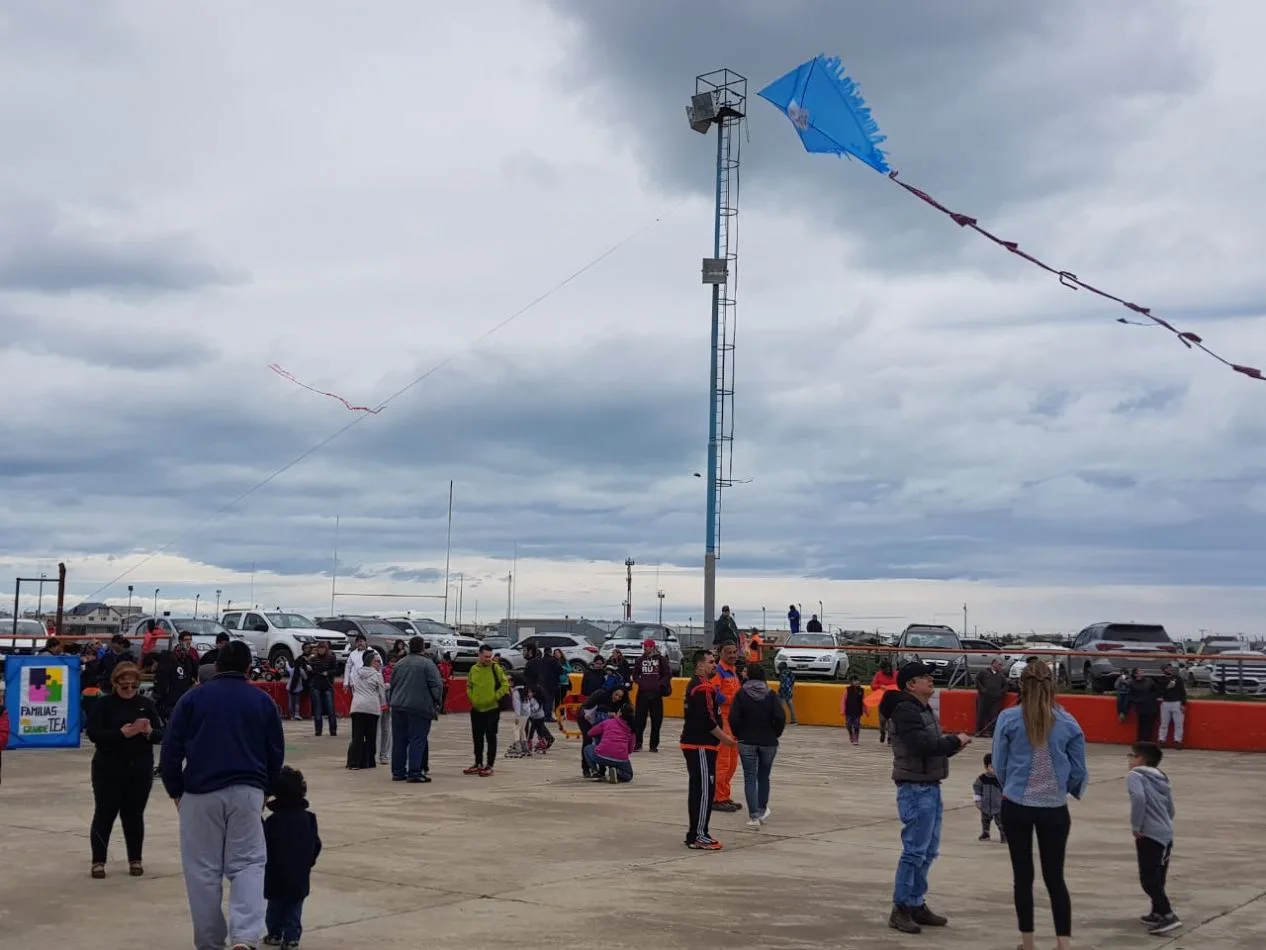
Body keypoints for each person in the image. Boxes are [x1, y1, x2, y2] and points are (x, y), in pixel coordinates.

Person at [161, 640, 286, 950]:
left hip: (200, 791)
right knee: (248, 864)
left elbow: (171, 749)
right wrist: (266, 790)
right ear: (248, 668)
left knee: (202, 869)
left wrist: (175, 790)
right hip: (247, 790)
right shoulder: (262, 701)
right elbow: (275, 753)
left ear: (216, 667)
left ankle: (209, 941)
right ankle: (244, 936)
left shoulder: (192, 699)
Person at [992, 660, 1088, 950]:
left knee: (1023, 877)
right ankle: (1063, 944)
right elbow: (1079, 771)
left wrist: (1013, 786)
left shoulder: (1008, 719)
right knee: (1055, 878)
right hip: (1054, 809)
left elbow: (999, 764)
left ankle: (1028, 943)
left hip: (1017, 805)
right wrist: (1063, 789)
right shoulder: (1069, 722)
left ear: (1022, 685)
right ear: (1053, 685)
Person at [879, 661, 971, 935]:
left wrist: (953, 745)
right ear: (910, 684)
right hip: (915, 789)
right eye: (924, 677)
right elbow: (920, 746)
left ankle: (915, 902)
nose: (931, 680)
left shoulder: (922, 708)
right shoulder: (907, 709)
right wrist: (954, 742)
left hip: (929, 785)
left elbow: (930, 748)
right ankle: (901, 908)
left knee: (928, 851)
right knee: (915, 851)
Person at [85, 662, 162, 879]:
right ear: (115, 684)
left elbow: (160, 734)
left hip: (139, 767)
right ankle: (98, 861)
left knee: (134, 815)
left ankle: (135, 859)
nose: (129, 690)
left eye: (133, 686)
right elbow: (94, 733)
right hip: (109, 767)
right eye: (124, 686)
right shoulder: (104, 705)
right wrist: (120, 734)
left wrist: (147, 732)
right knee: (104, 813)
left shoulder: (145, 704)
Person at [680, 651, 736, 851]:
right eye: (711, 662)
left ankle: (695, 833)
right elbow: (708, 720)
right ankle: (699, 834)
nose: (714, 665)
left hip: (700, 745)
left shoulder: (702, 686)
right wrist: (726, 739)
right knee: (704, 791)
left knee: (699, 790)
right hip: (700, 745)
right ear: (699, 666)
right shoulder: (702, 688)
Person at [263, 766, 322, 950]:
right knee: (294, 907)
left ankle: (274, 933)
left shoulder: (274, 821)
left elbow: (264, 845)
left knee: (275, 906)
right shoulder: (309, 818)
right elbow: (316, 844)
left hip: (276, 872)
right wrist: (308, 862)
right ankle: (291, 938)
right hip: (299, 871)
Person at [1127, 741, 1181, 935]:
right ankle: (1157, 911)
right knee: (1159, 876)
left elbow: (1139, 799)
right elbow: (1170, 805)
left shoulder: (1135, 775)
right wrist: (1166, 820)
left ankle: (1167, 914)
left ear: (1140, 759)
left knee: (1149, 879)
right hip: (1165, 832)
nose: (1129, 759)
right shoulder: (1161, 776)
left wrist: (1137, 825)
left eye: (1131, 755)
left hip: (1149, 833)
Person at [728, 660, 785, 829]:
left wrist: (739, 734)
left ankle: (753, 816)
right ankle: (762, 808)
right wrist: (775, 734)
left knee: (750, 777)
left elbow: (733, 718)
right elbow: (780, 717)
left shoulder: (741, 694)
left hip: (747, 740)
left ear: (749, 675)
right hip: (768, 741)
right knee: (764, 776)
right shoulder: (771, 694)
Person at [388, 636, 443, 783]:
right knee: (417, 740)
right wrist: (438, 702)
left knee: (399, 740)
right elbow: (436, 687)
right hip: (419, 707)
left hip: (398, 706)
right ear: (423, 648)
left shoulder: (399, 664)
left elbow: (392, 685)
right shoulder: (427, 665)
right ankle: (414, 772)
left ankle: (398, 772)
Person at [464, 644, 510, 776]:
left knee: (491, 737)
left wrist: (494, 697)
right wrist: (472, 697)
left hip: (492, 709)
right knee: (477, 737)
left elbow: (505, 684)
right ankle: (478, 763)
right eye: (486, 657)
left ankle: (490, 765)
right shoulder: (474, 669)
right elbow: (469, 685)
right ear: (479, 655)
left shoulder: (496, 668)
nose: (488, 659)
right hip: (476, 709)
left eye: (490, 656)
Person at [709, 641, 743, 813]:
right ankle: (718, 797)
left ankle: (725, 795)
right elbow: (714, 693)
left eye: (734, 652)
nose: (732, 655)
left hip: (735, 721)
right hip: (724, 720)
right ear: (721, 654)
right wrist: (731, 700)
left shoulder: (733, 672)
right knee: (723, 761)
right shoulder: (719, 672)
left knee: (732, 762)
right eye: (728, 652)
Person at [347, 649, 387, 770]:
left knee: (357, 736)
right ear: (370, 662)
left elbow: (353, 687)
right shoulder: (377, 675)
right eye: (377, 661)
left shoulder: (356, 673)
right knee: (371, 736)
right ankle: (369, 761)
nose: (379, 663)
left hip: (357, 707)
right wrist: (384, 705)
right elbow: (381, 692)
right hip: (371, 708)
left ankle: (354, 762)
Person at [633, 637, 673, 753]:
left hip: (656, 694)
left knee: (656, 720)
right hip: (642, 693)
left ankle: (653, 745)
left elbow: (667, 674)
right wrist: (640, 682)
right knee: (639, 720)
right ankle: (638, 743)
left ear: (653, 647)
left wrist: (659, 685)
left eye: (648, 646)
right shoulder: (640, 660)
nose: (646, 648)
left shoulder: (661, 659)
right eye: (644, 646)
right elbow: (635, 674)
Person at [584, 702, 636, 783]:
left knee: (587, 749)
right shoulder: (631, 729)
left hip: (601, 755)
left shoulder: (608, 722)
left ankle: (595, 772)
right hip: (620, 758)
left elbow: (590, 733)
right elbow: (630, 750)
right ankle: (617, 772)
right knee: (629, 775)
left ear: (620, 713)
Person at [307, 640, 338, 738]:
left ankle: (333, 730)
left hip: (327, 685)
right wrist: (309, 669)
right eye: (319, 648)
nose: (321, 650)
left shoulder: (331, 658)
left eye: (323, 648)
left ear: (326, 649)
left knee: (330, 708)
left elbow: (336, 670)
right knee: (317, 709)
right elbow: (309, 673)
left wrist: (328, 673)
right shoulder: (313, 659)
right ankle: (318, 730)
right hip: (316, 685)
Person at [973, 753, 1004, 842]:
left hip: (998, 806)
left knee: (1000, 821)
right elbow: (977, 788)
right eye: (992, 767)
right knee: (985, 820)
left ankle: (1003, 834)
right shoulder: (982, 779)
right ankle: (985, 833)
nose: (994, 769)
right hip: (985, 805)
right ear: (986, 767)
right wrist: (977, 800)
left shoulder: (1000, 779)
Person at [975, 657, 1008, 737]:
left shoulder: (1001, 675)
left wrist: (1000, 693)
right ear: (994, 664)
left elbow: (1006, 686)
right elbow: (977, 681)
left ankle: (991, 732)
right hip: (984, 697)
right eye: (999, 664)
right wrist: (982, 690)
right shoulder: (984, 672)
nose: (1001, 666)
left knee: (993, 715)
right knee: (981, 714)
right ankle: (979, 730)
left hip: (995, 698)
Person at [1157, 665, 1187, 749]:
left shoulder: (1178, 678)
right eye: (1167, 668)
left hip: (1177, 702)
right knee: (1164, 723)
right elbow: (1159, 691)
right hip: (1166, 702)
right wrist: (1167, 687)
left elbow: (1182, 691)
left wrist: (1183, 703)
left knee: (1179, 724)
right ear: (1163, 670)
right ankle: (1161, 740)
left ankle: (1177, 741)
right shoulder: (1161, 679)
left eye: (1170, 668)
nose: (1170, 670)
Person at [1127, 669, 1160, 742]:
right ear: (1136, 674)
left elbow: (1156, 690)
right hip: (1141, 707)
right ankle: (1140, 739)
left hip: (1151, 706)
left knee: (1150, 724)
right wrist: (1136, 701)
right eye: (1140, 672)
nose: (1142, 673)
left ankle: (1147, 740)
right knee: (1141, 724)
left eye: (1142, 672)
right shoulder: (1132, 683)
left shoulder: (1149, 681)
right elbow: (1130, 695)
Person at [872, 660, 897, 744]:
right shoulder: (878, 675)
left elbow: (902, 684)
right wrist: (881, 686)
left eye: (889, 668)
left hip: (893, 700)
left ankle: (890, 737)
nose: (888, 670)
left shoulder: (896, 674)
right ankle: (882, 732)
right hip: (882, 700)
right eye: (886, 669)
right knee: (882, 720)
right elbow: (873, 686)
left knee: (891, 720)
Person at [286, 643, 311, 720]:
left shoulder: (292, 669)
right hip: (298, 688)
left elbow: (288, 668)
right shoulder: (301, 670)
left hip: (290, 687)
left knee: (291, 702)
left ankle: (292, 715)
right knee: (296, 702)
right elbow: (305, 677)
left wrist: (286, 663)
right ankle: (296, 714)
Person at [842, 675, 865, 745]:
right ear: (851, 682)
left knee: (856, 725)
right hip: (849, 710)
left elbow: (864, 700)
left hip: (858, 711)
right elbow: (844, 700)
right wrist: (842, 710)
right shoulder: (847, 689)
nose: (857, 682)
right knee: (848, 724)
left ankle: (856, 738)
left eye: (857, 680)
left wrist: (865, 710)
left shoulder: (861, 690)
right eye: (855, 681)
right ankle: (851, 734)